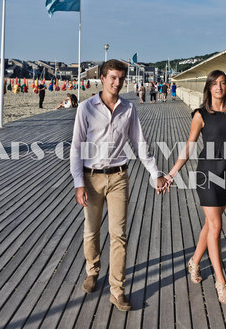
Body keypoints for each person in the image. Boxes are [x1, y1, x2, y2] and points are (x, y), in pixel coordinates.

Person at [70, 59, 168, 312]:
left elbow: (140, 143)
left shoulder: (128, 109)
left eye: (120, 78)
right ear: (102, 78)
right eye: (112, 77)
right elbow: (76, 147)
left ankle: (117, 290)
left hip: (119, 178)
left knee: (119, 235)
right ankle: (92, 270)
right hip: (91, 178)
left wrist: (155, 173)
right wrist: (78, 182)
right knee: (92, 229)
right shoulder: (86, 108)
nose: (117, 83)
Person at [165, 70, 226, 304]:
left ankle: (194, 262)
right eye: (215, 84)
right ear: (208, 88)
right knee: (216, 226)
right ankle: (221, 282)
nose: (219, 87)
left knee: (210, 224)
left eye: (223, 84)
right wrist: (172, 172)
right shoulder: (200, 114)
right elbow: (189, 146)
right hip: (207, 174)